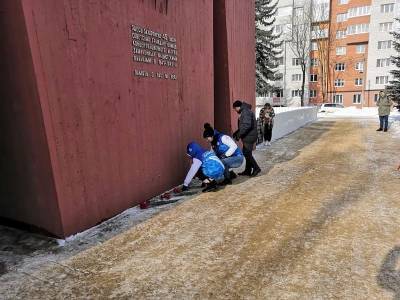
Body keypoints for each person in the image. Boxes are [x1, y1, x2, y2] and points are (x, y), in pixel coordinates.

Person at [232, 100, 261, 177]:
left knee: (247, 153)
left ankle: (256, 168)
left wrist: (238, 135)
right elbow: (243, 125)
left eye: (235, 109)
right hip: (248, 136)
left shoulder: (245, 112)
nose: (235, 111)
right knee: (246, 153)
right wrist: (237, 132)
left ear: (238, 107)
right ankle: (248, 170)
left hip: (249, 136)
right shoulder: (244, 111)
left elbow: (246, 126)